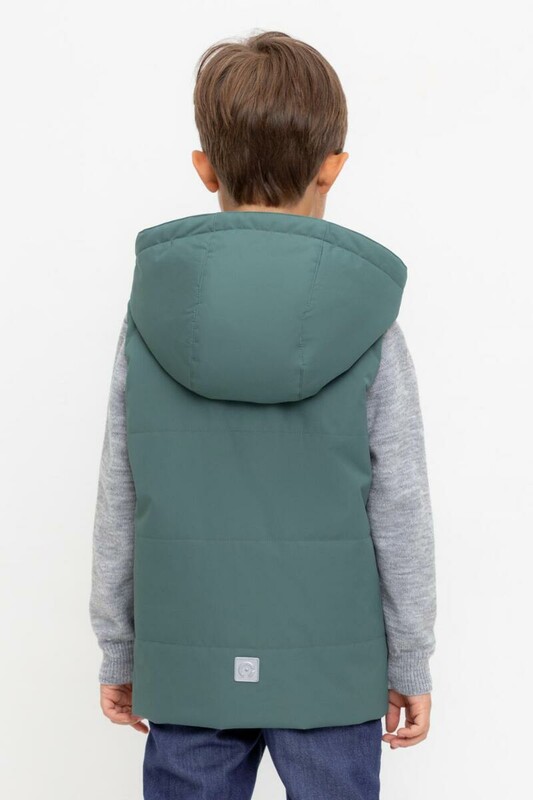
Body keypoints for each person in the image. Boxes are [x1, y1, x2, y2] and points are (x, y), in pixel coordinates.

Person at [89, 29, 437, 800]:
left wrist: (120, 648)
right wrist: (410, 658)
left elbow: (120, 491)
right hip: (331, 668)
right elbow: (400, 504)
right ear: (332, 166)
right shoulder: (368, 318)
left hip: (189, 658)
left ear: (204, 167)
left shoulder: (150, 316)